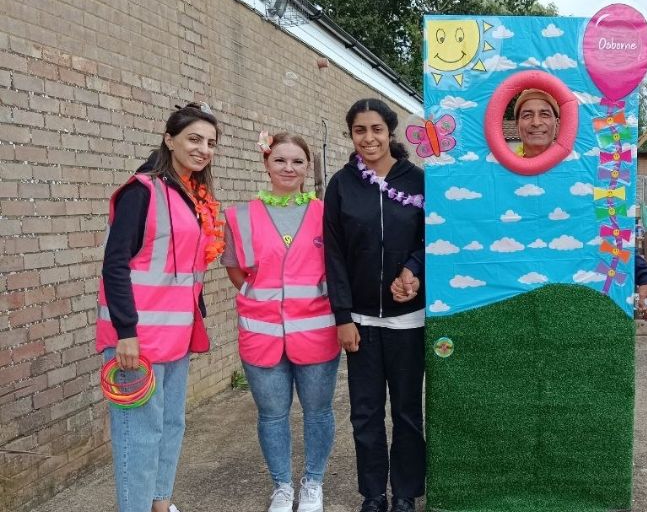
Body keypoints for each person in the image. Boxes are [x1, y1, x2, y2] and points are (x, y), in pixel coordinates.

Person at [96, 103, 225, 512]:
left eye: (210, 143)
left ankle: (159, 502)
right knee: (139, 432)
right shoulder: (142, 191)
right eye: (194, 138)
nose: (203, 149)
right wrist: (126, 334)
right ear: (169, 139)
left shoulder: (191, 195)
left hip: (177, 334)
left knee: (171, 425)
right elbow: (114, 265)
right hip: (138, 339)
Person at [224, 133, 339, 512]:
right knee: (272, 415)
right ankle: (282, 486)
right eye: (280, 160)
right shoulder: (240, 216)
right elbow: (237, 272)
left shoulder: (327, 213)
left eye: (297, 161)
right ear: (266, 164)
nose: (288, 168)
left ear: (309, 167)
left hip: (317, 333)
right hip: (262, 336)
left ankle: (313, 483)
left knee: (318, 412)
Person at [323, 99, 425, 512]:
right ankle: (372, 494)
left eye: (376, 129)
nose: (369, 138)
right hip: (361, 322)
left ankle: (405, 492)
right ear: (351, 135)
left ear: (390, 132)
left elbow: (431, 238)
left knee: (406, 411)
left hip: (409, 322)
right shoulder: (341, 185)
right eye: (360, 130)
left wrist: (414, 272)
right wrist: (342, 317)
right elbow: (333, 254)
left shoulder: (417, 181)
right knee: (365, 414)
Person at [513, 87, 560, 157]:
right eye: (527, 115)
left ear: (557, 124)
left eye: (545, 114)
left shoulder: (577, 164)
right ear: (517, 125)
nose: (536, 123)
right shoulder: (500, 166)